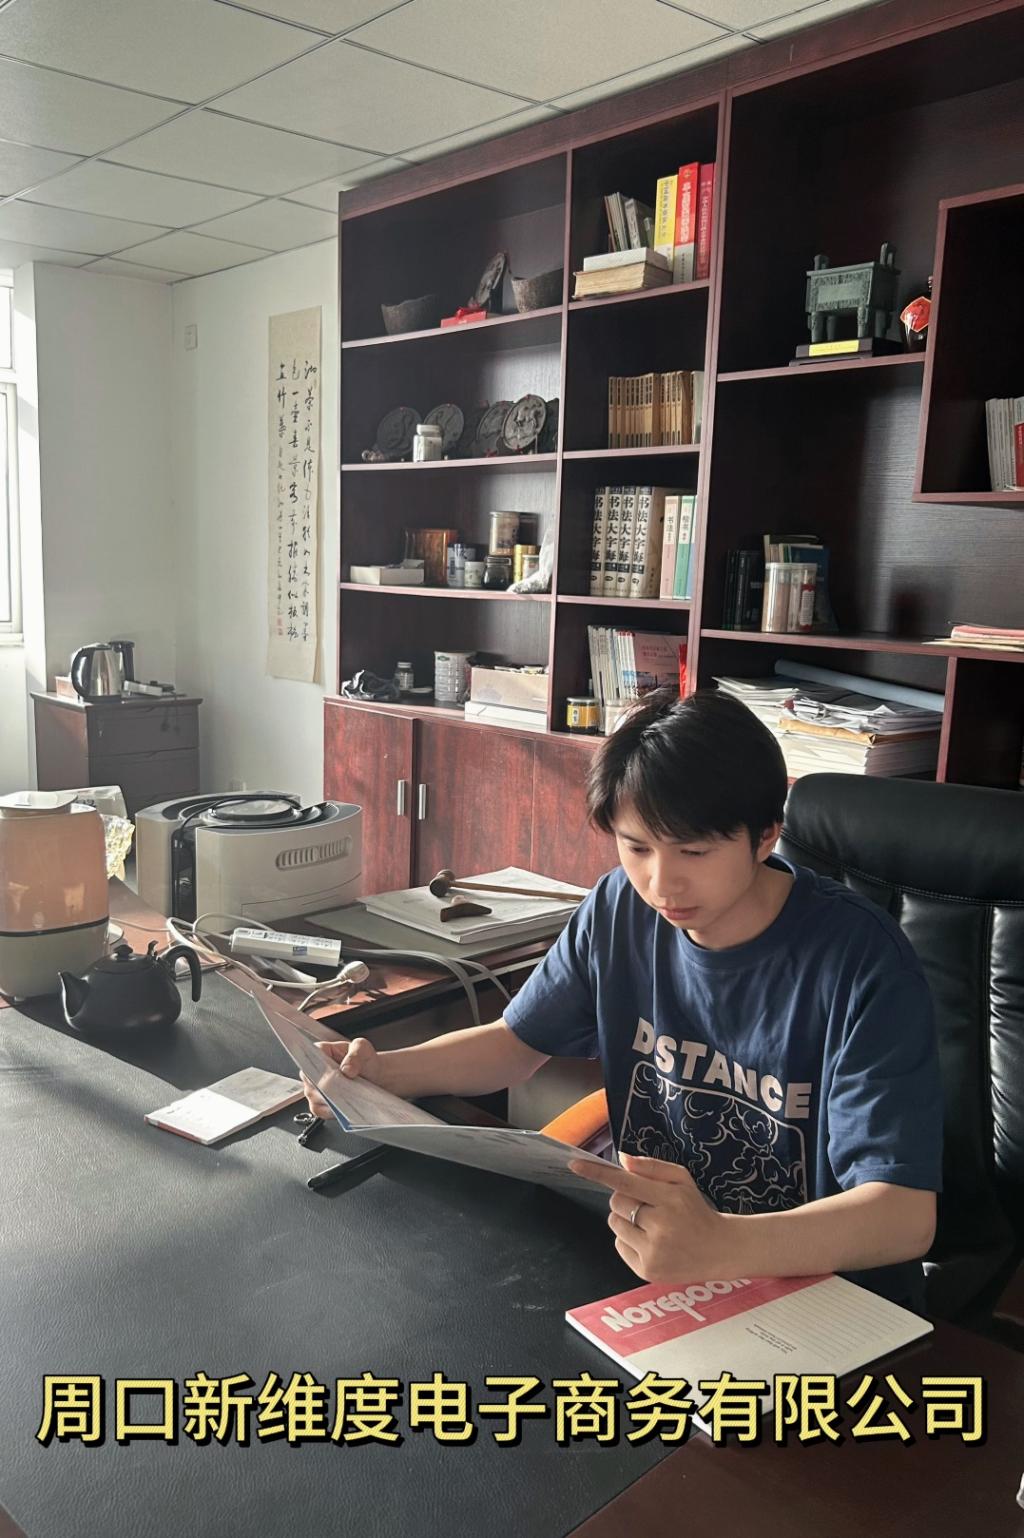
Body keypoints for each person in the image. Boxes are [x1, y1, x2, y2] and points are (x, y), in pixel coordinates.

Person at [304, 689, 943, 1308]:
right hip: (654, 1255)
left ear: (765, 836)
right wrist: (383, 1073)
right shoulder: (618, 908)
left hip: (815, 1288)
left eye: (694, 851)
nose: (661, 884)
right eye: (637, 847)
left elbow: (904, 1216)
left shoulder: (861, 961)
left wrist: (723, 1245)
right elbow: (516, 1044)